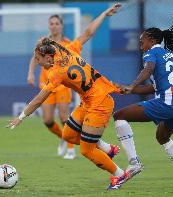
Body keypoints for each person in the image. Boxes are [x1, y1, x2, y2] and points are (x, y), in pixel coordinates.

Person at [113, 11, 173, 188]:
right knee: (162, 137)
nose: (141, 45)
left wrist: (132, 84)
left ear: (152, 40)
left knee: (119, 115)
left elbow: (148, 69)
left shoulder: (151, 53)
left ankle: (134, 162)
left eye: (142, 41)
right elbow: (153, 87)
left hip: (168, 100)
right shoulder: (168, 55)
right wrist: (130, 89)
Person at [27, 7, 116, 159]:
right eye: (52, 23)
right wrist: (30, 73)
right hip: (47, 85)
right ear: (49, 26)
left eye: (57, 23)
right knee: (48, 121)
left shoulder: (68, 45)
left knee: (64, 118)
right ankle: (63, 139)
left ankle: (70, 148)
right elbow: (34, 58)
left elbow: (87, 36)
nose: (54, 25)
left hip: (62, 86)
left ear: (61, 26)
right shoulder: (43, 43)